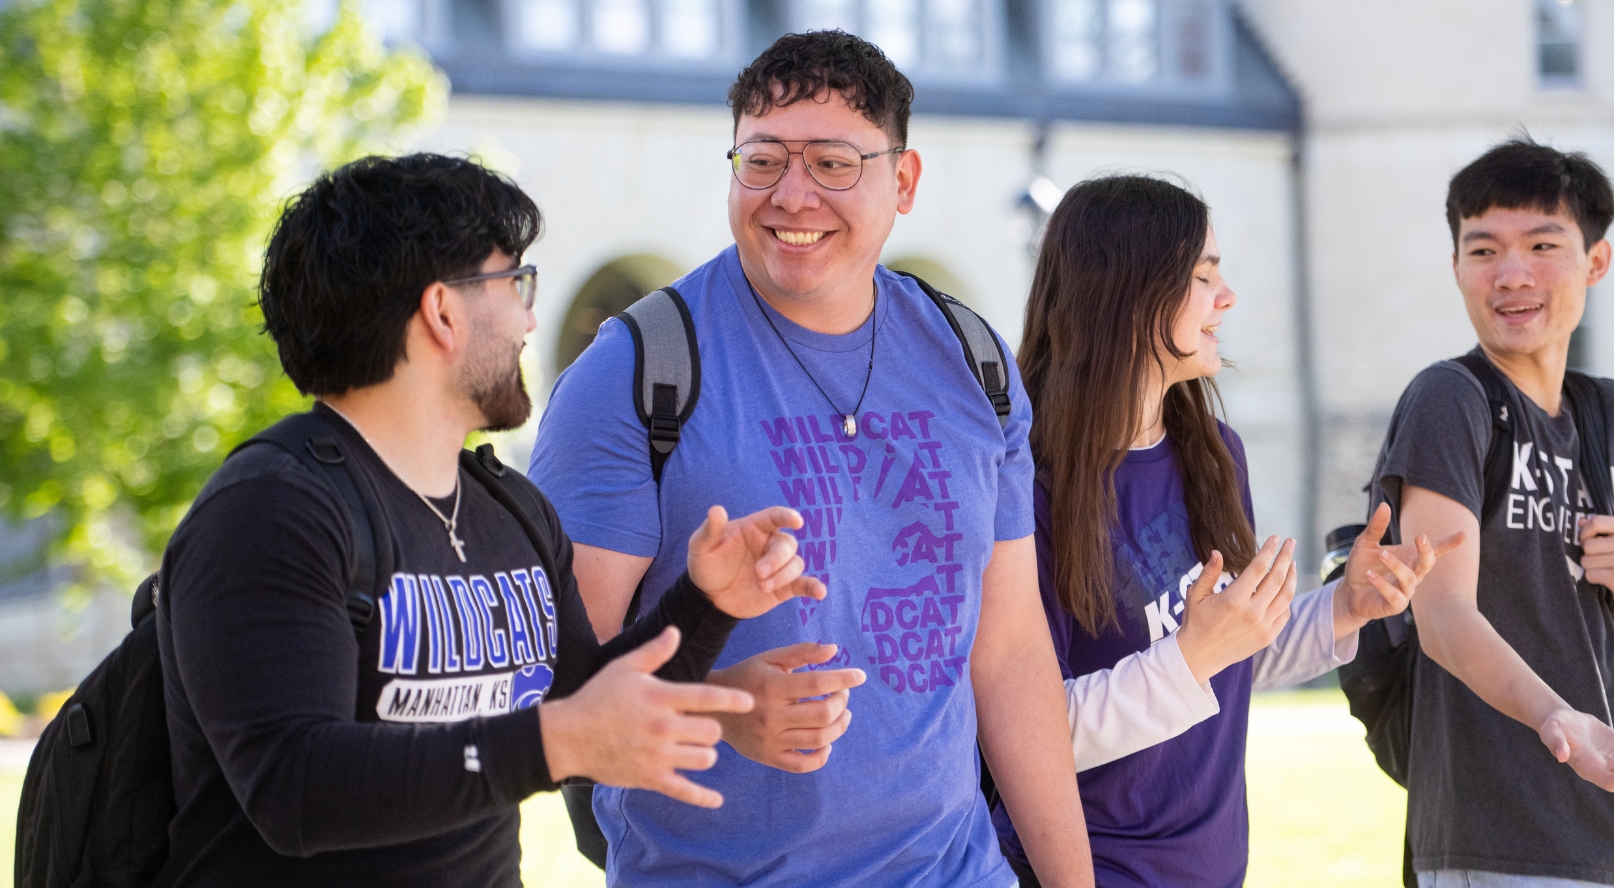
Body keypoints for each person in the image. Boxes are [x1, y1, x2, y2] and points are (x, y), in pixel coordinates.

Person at [155, 153, 828, 886]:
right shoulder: (271, 512)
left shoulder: (511, 510)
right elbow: (294, 789)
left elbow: (585, 707)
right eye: (516, 282)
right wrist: (552, 742)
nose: (530, 317)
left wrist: (706, 602)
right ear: (443, 312)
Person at [529, 30, 1093, 888]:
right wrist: (725, 707)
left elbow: (1010, 653)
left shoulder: (973, 361)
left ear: (904, 181)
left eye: (832, 163)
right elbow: (561, 688)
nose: (792, 196)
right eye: (762, 161)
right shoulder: (635, 372)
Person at [993, 174, 1453, 888]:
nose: (1227, 296)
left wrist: (1344, 606)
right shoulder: (1023, 483)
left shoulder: (1214, 453)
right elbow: (1022, 733)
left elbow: (1227, 666)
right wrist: (1190, 655)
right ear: (1130, 292)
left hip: (1212, 869)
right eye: (1203, 276)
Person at [1369, 137, 1614, 887]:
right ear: (1456, 267)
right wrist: (1554, 717)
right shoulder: (1452, 401)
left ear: (1596, 261)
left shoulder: (1603, 415)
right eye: (1484, 251)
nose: (1511, 275)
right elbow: (1443, 617)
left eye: (1543, 246)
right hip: (1505, 841)